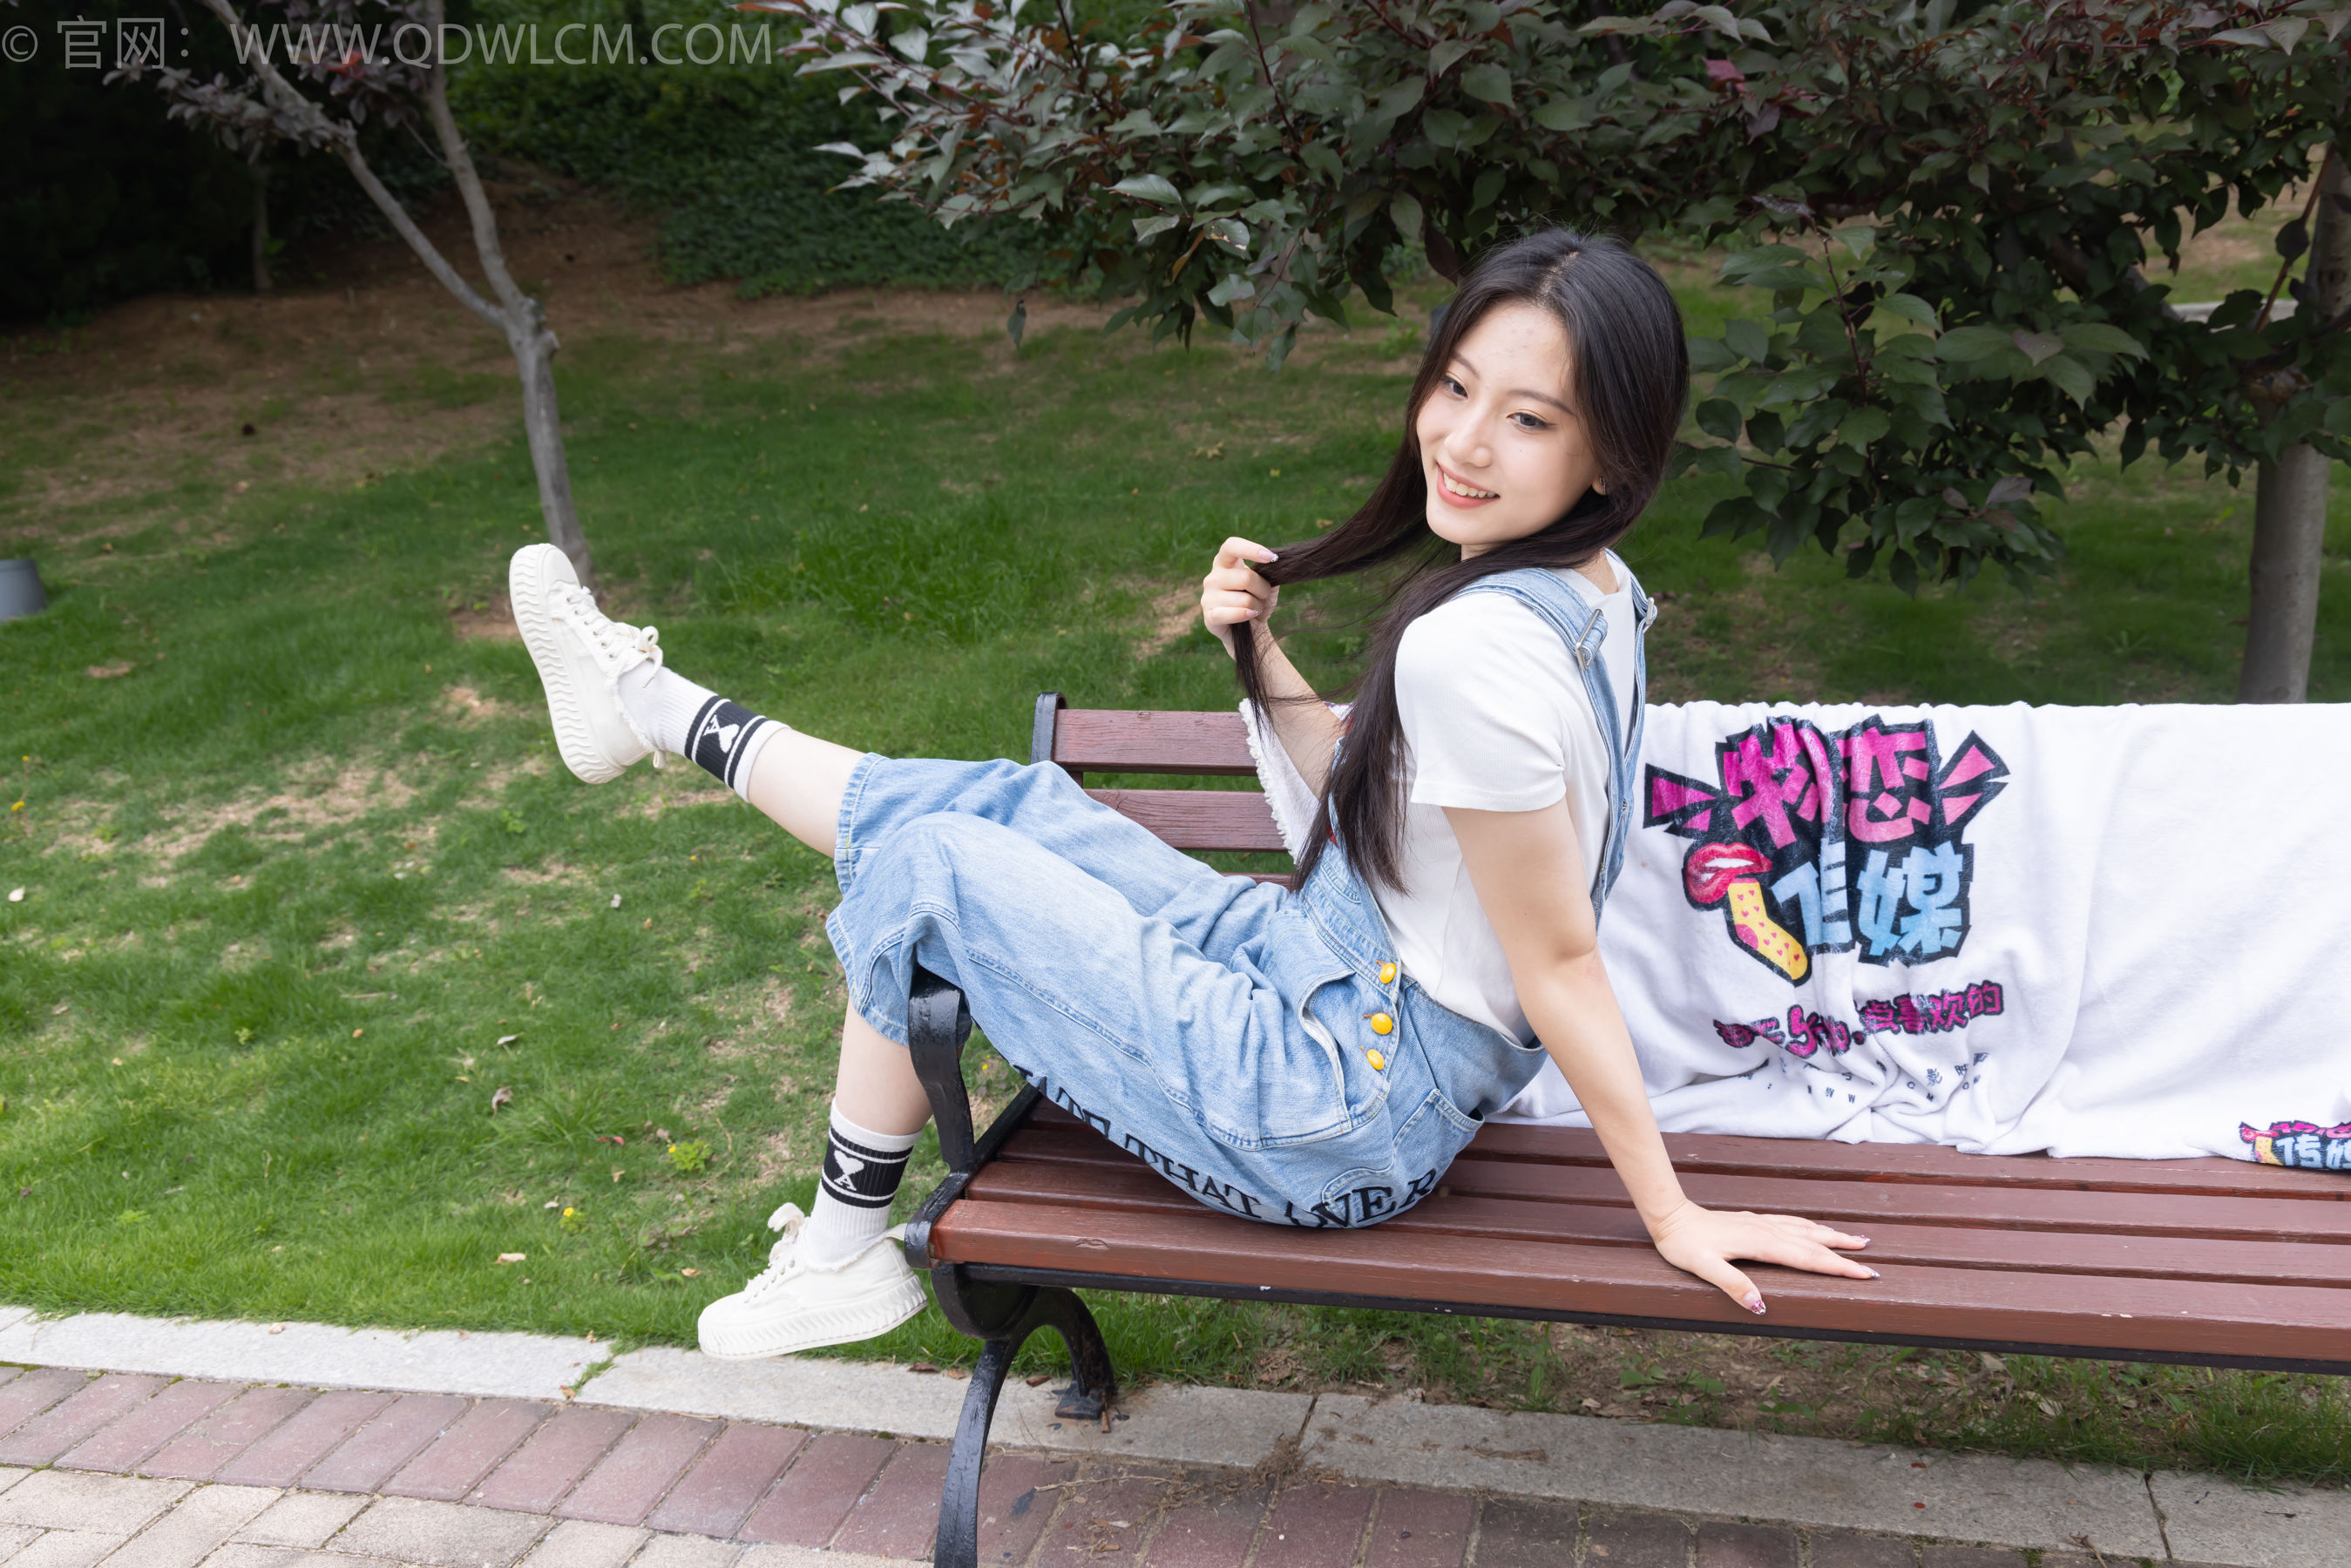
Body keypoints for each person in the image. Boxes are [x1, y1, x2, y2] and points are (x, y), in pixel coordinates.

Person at [504, 228, 1876, 1364]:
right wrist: (1258, 651)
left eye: (1526, 419)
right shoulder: (1594, 593)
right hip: (1333, 977)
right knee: (1011, 807)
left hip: (1338, 1108)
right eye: (1454, 386)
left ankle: (845, 1252)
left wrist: (1670, 1215)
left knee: (937, 873)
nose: (1461, 441)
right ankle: (648, 707)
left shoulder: (1478, 643)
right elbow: (1394, 817)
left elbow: (1558, 958)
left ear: (1610, 454)